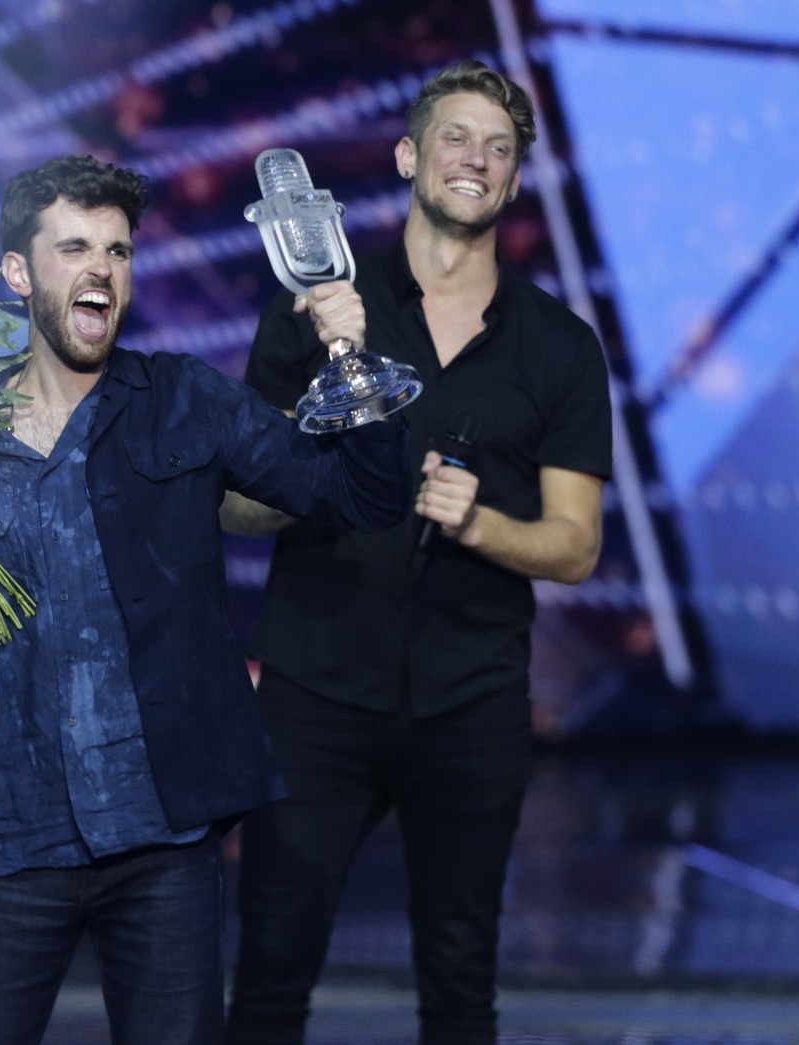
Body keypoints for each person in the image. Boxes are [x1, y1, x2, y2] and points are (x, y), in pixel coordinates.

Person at [0, 153, 411, 1044]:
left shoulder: (184, 399)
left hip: (163, 840)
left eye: (119, 252)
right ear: (17, 273)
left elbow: (364, 499)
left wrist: (350, 356)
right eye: (75, 247)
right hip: (12, 837)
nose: (101, 269)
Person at [223, 60, 613, 1044]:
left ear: (517, 177)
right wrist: (317, 445)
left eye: (498, 147)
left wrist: (479, 521)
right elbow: (232, 505)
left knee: (459, 980)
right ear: (408, 155)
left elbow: (575, 548)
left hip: (470, 702)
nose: (474, 159)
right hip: (316, 694)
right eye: (454, 137)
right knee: (269, 969)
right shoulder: (316, 307)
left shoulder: (559, 347)